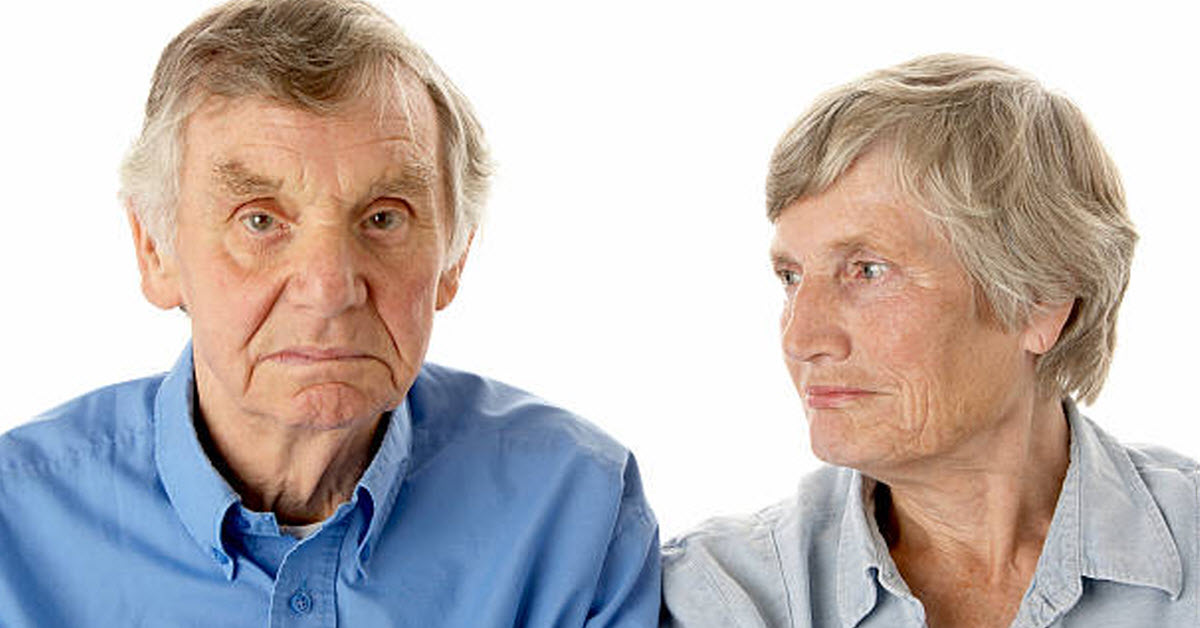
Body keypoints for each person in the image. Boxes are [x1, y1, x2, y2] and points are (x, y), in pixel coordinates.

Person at [0, 1, 659, 625]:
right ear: (155, 250)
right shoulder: (15, 524)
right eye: (259, 219)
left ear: (454, 256)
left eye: (383, 219)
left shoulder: (574, 507)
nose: (330, 286)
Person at [661, 54, 1199, 627]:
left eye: (867, 270)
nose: (803, 337)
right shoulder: (728, 594)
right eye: (791, 277)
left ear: (1042, 300)